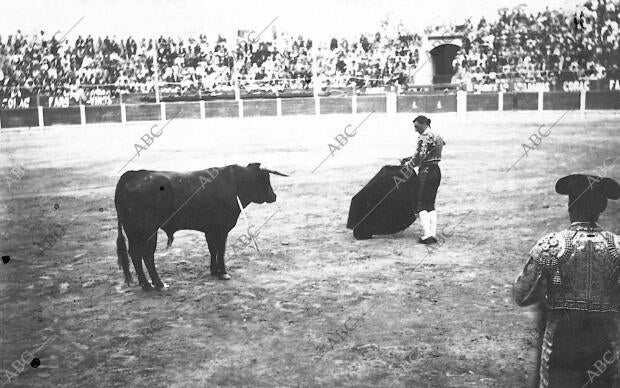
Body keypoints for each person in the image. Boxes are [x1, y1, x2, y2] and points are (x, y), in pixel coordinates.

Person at [513, 174, 620, 388]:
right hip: (603, 341)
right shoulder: (616, 246)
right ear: (600, 208)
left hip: (563, 339)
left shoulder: (552, 244)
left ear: (571, 206)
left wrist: (547, 292)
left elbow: (521, 295)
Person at [401, 115, 446, 244]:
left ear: (424, 124)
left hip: (426, 172)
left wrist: (408, 165)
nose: (415, 129)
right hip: (436, 170)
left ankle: (427, 235)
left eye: (417, 126)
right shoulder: (437, 136)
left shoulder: (424, 137)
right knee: (430, 203)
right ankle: (432, 234)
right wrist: (407, 159)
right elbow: (428, 154)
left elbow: (419, 157)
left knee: (421, 203)